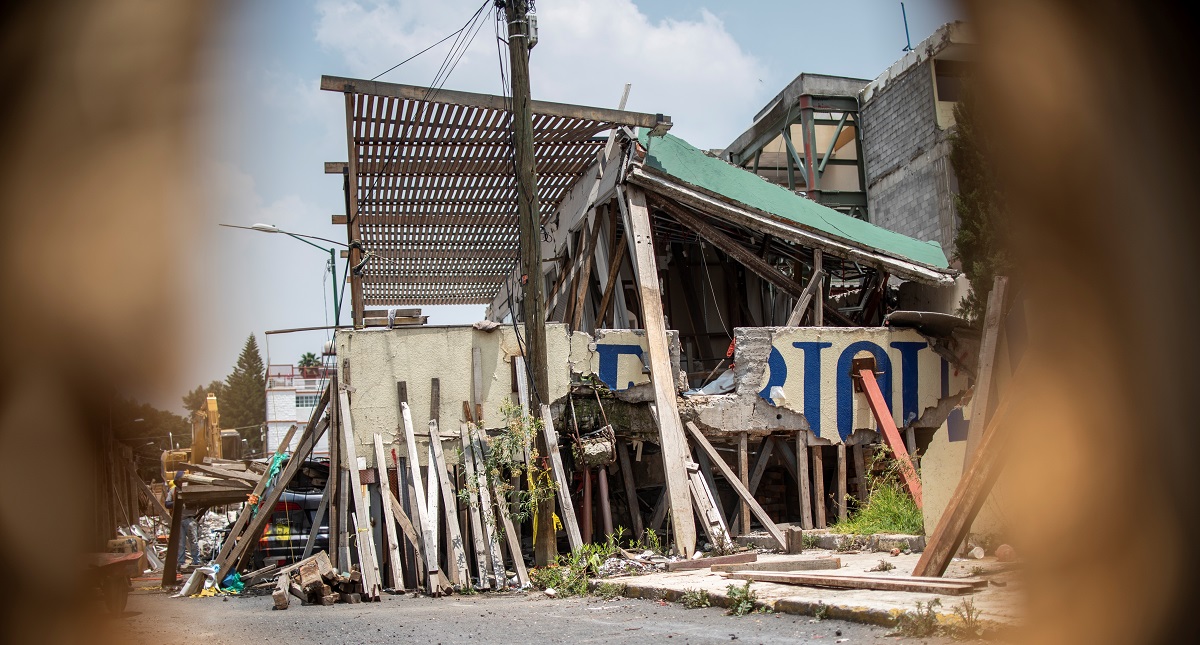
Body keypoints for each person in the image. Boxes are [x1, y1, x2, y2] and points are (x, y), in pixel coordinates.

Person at [165, 472, 201, 569]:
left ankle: (196, 561)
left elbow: (198, 502)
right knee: (181, 543)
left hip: (189, 519)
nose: (181, 483)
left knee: (193, 541)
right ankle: (180, 562)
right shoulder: (173, 491)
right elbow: (167, 504)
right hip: (178, 520)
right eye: (179, 481)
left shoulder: (190, 490)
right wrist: (177, 502)